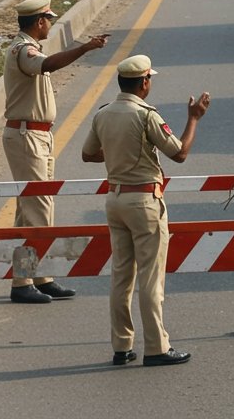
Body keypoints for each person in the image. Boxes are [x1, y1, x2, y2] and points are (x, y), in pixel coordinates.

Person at [82, 55, 209, 367]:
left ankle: (122, 346)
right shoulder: (145, 115)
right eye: (149, 78)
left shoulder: (103, 114)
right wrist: (194, 118)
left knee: (121, 277)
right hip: (144, 201)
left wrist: (116, 154)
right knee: (151, 278)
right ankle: (156, 347)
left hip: (115, 200)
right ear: (143, 83)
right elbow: (179, 153)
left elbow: (88, 154)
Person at [2, 0, 109, 304]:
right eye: (48, 19)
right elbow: (46, 65)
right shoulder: (24, 50)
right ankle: (27, 282)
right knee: (38, 210)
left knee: (31, 211)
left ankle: (34, 278)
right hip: (26, 137)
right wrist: (85, 48)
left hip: (36, 136)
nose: (50, 24)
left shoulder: (27, 47)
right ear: (39, 22)